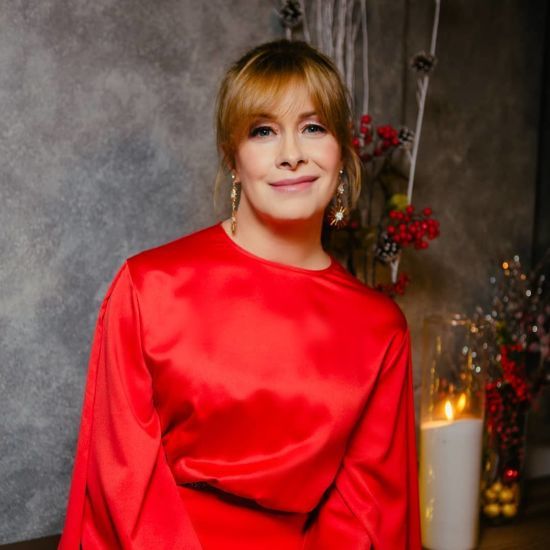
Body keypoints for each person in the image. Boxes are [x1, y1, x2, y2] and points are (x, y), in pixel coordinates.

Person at [58, 39, 421, 549]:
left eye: (313, 128)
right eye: (263, 131)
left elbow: (368, 516)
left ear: (342, 151)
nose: (291, 155)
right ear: (233, 157)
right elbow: (121, 486)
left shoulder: (380, 329)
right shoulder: (148, 288)